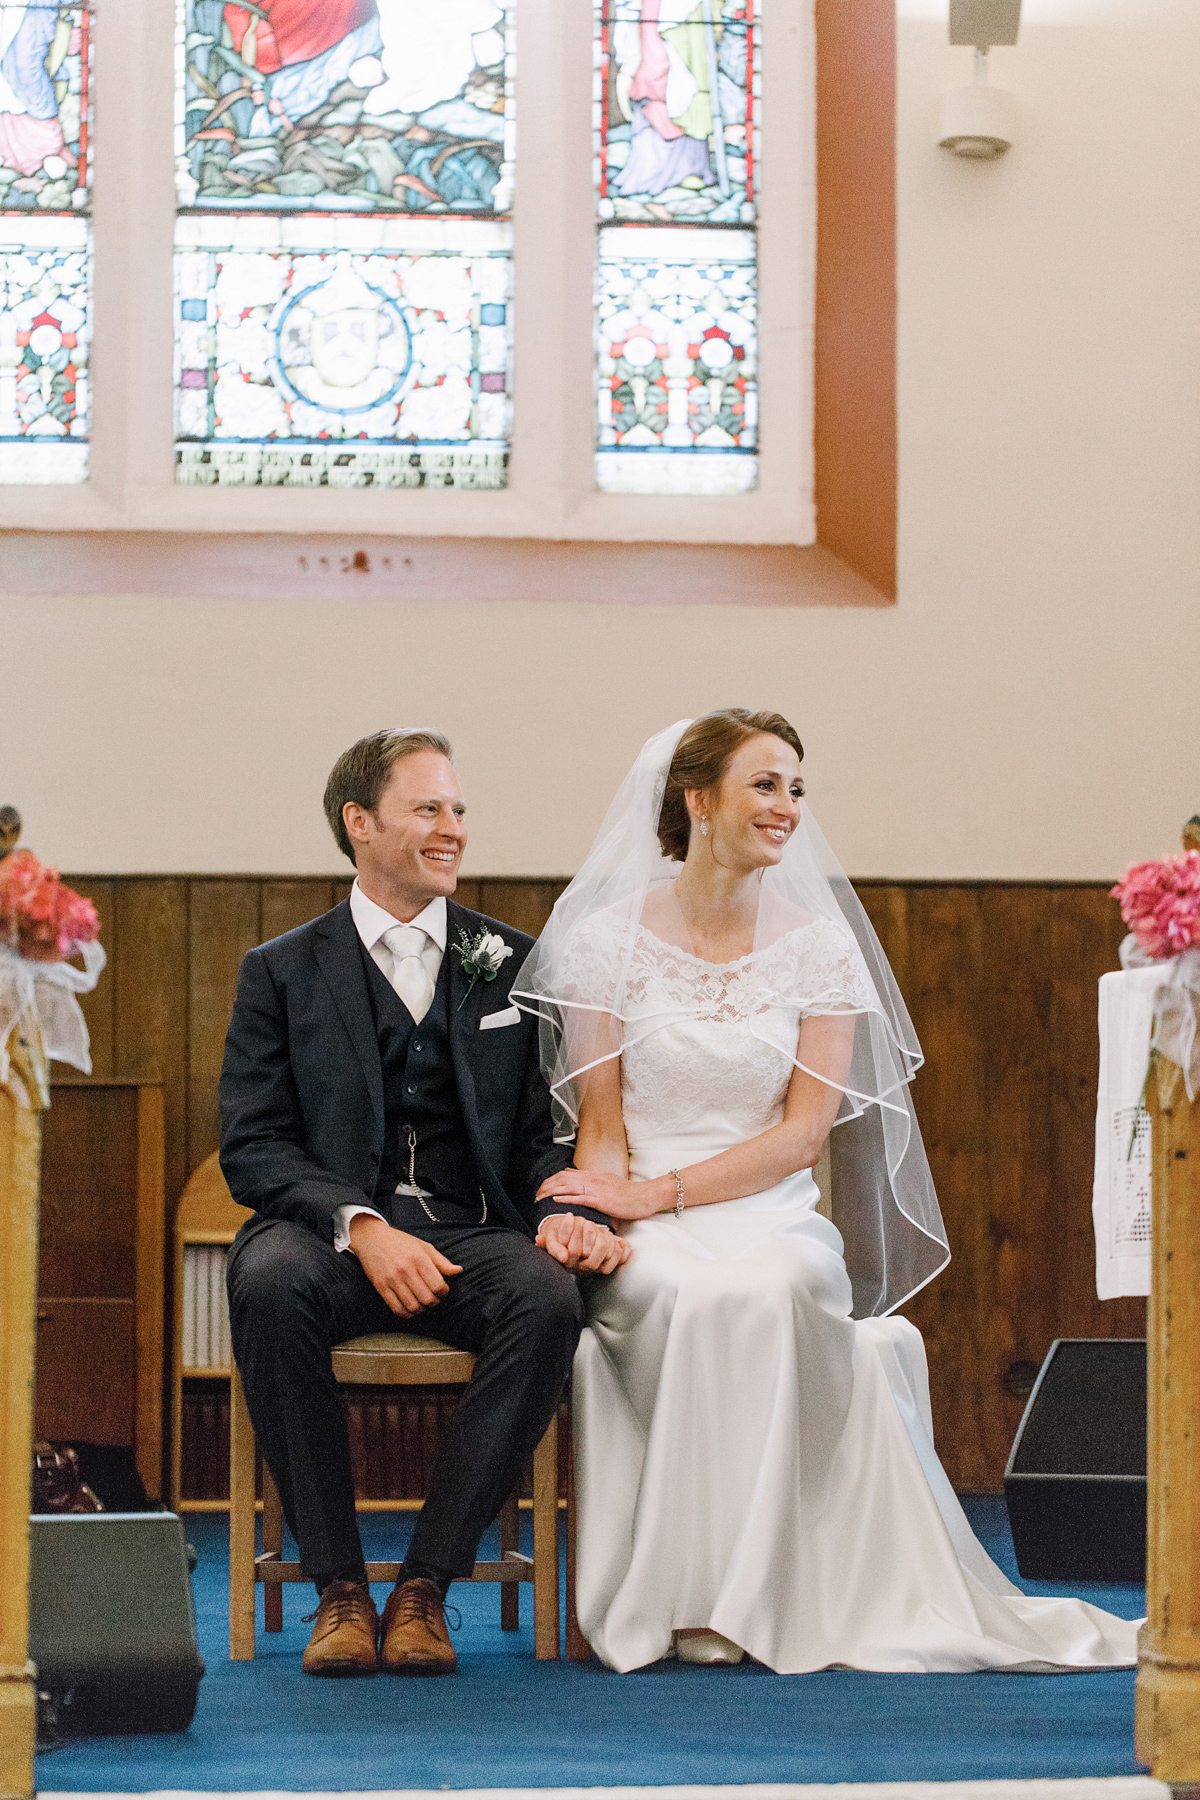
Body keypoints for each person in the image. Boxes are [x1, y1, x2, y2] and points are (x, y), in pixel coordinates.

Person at [513, 710, 1139, 1674]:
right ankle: (673, 1599)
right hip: (647, 1218)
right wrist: (596, 1211)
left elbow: (804, 1135)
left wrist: (665, 1192)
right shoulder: (604, 943)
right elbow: (600, 1124)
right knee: (685, 1294)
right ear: (698, 800)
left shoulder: (820, 948)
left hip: (768, 1213)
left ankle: (757, 1597)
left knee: (774, 1290)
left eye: (796, 788)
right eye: (764, 784)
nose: (788, 808)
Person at [219, 727, 628, 1679]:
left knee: (546, 1295)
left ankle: (425, 1590)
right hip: (329, 1242)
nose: (452, 829)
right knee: (269, 1282)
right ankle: (339, 1593)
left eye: (458, 811)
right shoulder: (279, 970)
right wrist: (360, 1227)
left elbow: (539, 1136)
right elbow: (254, 1145)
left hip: (469, 1233)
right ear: (360, 824)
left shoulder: (509, 961)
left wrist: (571, 1211)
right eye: (428, 809)